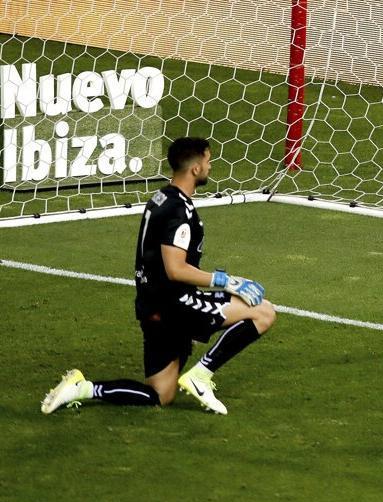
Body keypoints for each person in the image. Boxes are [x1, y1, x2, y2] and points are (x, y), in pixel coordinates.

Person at [40, 137, 275, 416]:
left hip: (153, 308)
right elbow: (175, 269)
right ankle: (201, 376)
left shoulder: (161, 197)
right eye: (208, 161)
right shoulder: (180, 211)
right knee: (263, 312)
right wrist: (229, 281)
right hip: (176, 305)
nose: (210, 166)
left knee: (160, 394)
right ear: (195, 168)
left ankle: (82, 388)